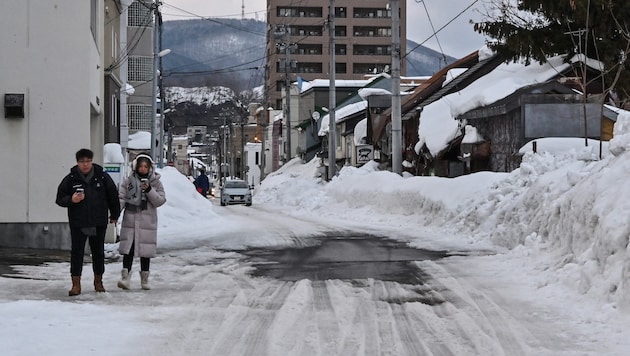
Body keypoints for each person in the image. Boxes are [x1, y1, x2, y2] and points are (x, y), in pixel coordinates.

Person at [55, 148, 120, 296]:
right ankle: (76, 284)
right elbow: (59, 198)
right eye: (82, 161)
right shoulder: (71, 179)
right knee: (77, 253)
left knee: (98, 253)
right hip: (78, 222)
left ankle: (98, 282)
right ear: (77, 162)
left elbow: (113, 196)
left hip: (98, 221)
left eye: (88, 161)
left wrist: (115, 214)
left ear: (92, 161)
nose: (85, 164)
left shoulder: (102, 177)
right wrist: (71, 199)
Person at [117, 153, 166, 290]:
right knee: (129, 250)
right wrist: (115, 214)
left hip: (147, 221)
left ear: (150, 167)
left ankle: (144, 280)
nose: (143, 169)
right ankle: (125, 278)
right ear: (136, 166)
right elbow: (121, 198)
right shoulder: (128, 181)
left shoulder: (156, 182)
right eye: (141, 166)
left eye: (146, 166)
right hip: (130, 221)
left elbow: (160, 201)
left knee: (145, 251)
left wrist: (149, 190)